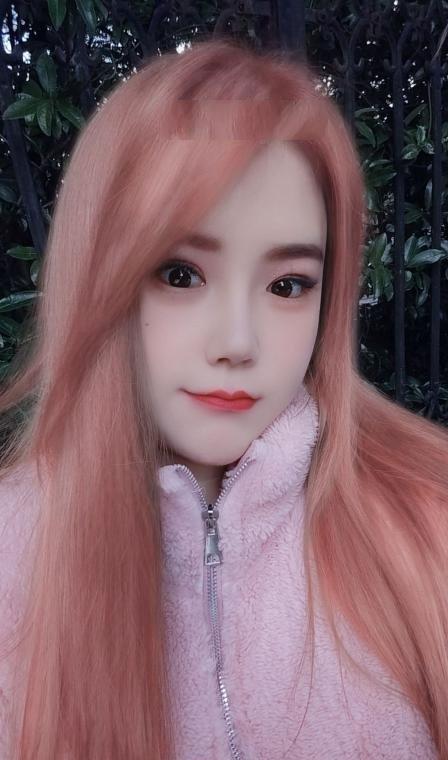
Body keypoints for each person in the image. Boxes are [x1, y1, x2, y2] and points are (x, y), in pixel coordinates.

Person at [0, 37, 446, 760]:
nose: (238, 341)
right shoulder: (14, 557)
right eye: (180, 274)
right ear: (100, 277)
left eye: (287, 285)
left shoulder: (426, 524)